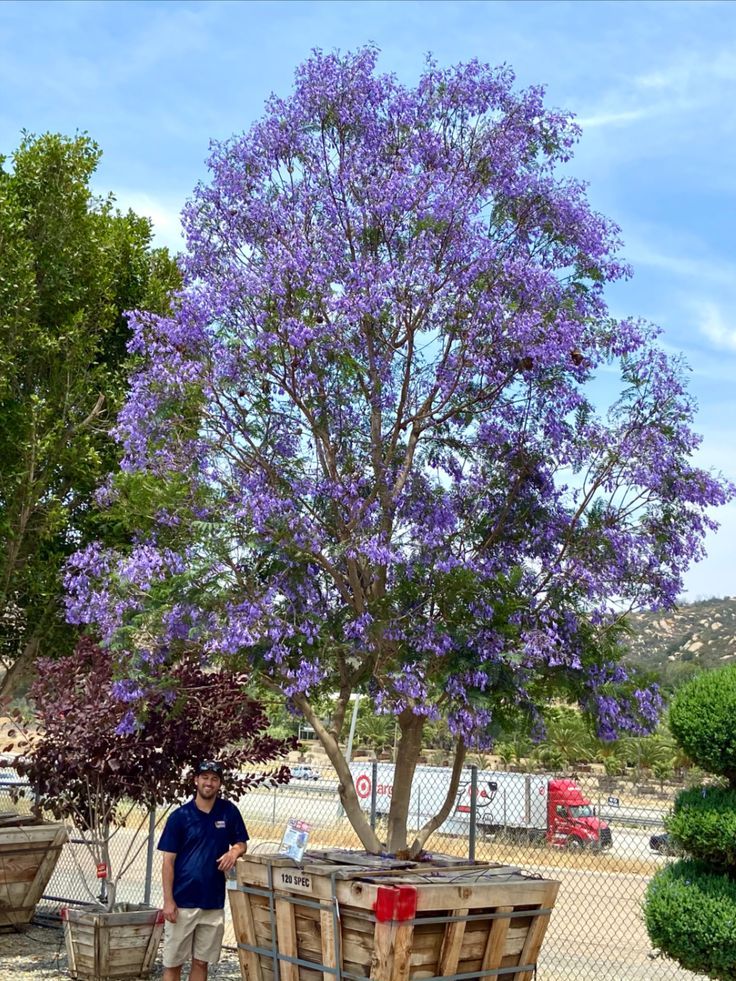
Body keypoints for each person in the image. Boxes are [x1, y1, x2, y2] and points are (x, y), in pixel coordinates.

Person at [158, 760, 248, 981]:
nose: (209, 783)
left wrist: (233, 853)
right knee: (173, 963)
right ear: (196, 780)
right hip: (182, 904)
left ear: (219, 784)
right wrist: (168, 901)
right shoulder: (180, 817)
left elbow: (242, 843)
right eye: (205, 777)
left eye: (214, 779)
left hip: (213, 903)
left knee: (201, 961)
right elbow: (168, 862)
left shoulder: (228, 812)